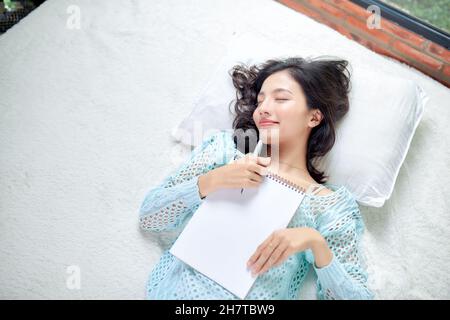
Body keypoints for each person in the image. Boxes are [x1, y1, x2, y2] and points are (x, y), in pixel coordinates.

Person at [139, 56, 374, 300]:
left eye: (281, 98)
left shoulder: (328, 206)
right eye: (260, 100)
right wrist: (212, 180)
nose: (263, 108)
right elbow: (150, 217)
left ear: (313, 117)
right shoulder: (223, 153)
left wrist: (314, 242)